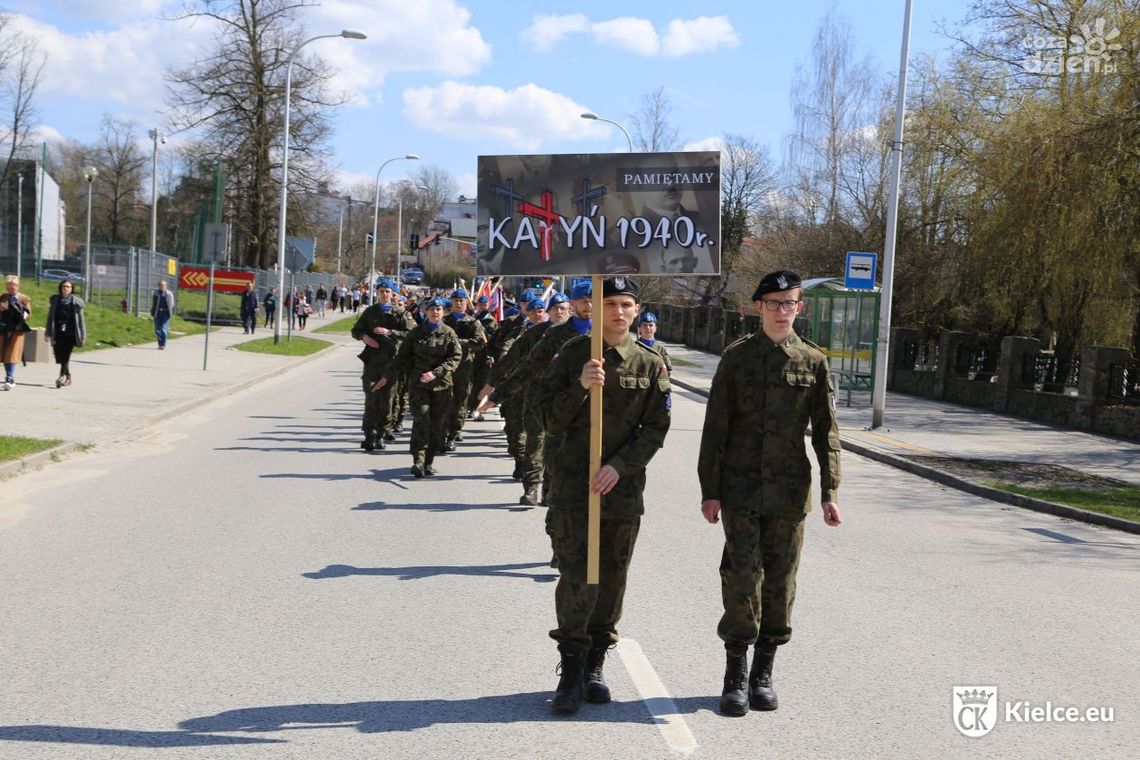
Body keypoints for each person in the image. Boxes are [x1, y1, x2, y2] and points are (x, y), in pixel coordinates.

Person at [697, 269, 842, 717]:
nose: (783, 311)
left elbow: (827, 434)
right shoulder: (736, 359)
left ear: (800, 308)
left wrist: (830, 490)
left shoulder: (814, 362)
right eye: (775, 303)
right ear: (759, 306)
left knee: (780, 583)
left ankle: (764, 672)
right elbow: (715, 429)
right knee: (743, 578)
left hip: (789, 492)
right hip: (740, 488)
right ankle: (735, 675)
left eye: (790, 303)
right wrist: (710, 490)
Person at [533, 276, 671, 715]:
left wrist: (620, 466)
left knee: (612, 579)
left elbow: (657, 428)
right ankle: (571, 670)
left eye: (625, 304)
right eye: (608, 302)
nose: (617, 311)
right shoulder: (574, 354)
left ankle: (595, 664)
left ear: (636, 310)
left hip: (622, 491)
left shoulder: (650, 362)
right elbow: (547, 420)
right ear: (595, 307)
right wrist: (580, 386)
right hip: (574, 488)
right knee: (577, 577)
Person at [373, 296, 461, 478]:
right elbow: (401, 358)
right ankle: (418, 461)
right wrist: (386, 377)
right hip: (418, 385)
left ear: (443, 312)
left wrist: (436, 373)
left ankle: (428, 462)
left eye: (438, 309)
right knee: (421, 419)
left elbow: (455, 358)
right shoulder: (416, 333)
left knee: (437, 425)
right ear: (426, 312)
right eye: (431, 309)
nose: (435, 312)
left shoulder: (449, 333)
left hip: (441, 387)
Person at [351, 279, 416, 452]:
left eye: (387, 291)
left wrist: (390, 332)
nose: (384, 294)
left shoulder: (401, 313)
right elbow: (356, 330)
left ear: (392, 293)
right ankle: (369, 435)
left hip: (392, 363)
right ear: (377, 293)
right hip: (372, 362)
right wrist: (364, 337)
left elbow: (411, 334)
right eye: (381, 291)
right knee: (371, 399)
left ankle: (381, 434)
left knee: (387, 401)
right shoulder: (370, 312)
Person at [442, 288, 487, 450]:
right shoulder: (444, 321)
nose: (459, 303)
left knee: (461, 399)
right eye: (456, 301)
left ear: (466, 303)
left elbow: (480, 342)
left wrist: (460, 342)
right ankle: (443, 430)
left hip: (464, 365)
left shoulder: (472, 322)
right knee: (445, 398)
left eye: (462, 301)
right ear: (452, 303)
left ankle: (454, 431)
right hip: (445, 365)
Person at [44, 279, 86, 388]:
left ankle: (61, 376)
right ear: (60, 288)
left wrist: (83, 335)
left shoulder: (76, 303)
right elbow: (50, 317)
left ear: (72, 289)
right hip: (58, 331)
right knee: (60, 355)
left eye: (68, 287)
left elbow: (81, 321)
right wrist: (47, 332)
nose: (66, 288)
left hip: (71, 333)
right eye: (64, 286)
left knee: (66, 355)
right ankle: (68, 377)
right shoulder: (55, 300)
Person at [0, 275, 32, 390]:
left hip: (17, 330)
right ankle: (9, 377)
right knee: (4, 354)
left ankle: (10, 378)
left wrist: (23, 314)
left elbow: (29, 313)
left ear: (18, 286)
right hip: (3, 329)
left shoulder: (24, 298)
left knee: (12, 354)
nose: (11, 289)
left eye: (13, 286)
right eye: (9, 286)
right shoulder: (2, 297)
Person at [150, 280, 175, 350]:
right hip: (157, 313)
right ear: (159, 286)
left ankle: (163, 344)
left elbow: (172, 304)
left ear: (166, 286)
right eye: (161, 285)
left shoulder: (169, 294)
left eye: (163, 285)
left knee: (163, 328)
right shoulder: (156, 293)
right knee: (157, 329)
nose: (162, 286)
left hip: (165, 313)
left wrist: (169, 312)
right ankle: (159, 344)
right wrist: (153, 311)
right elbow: (154, 303)